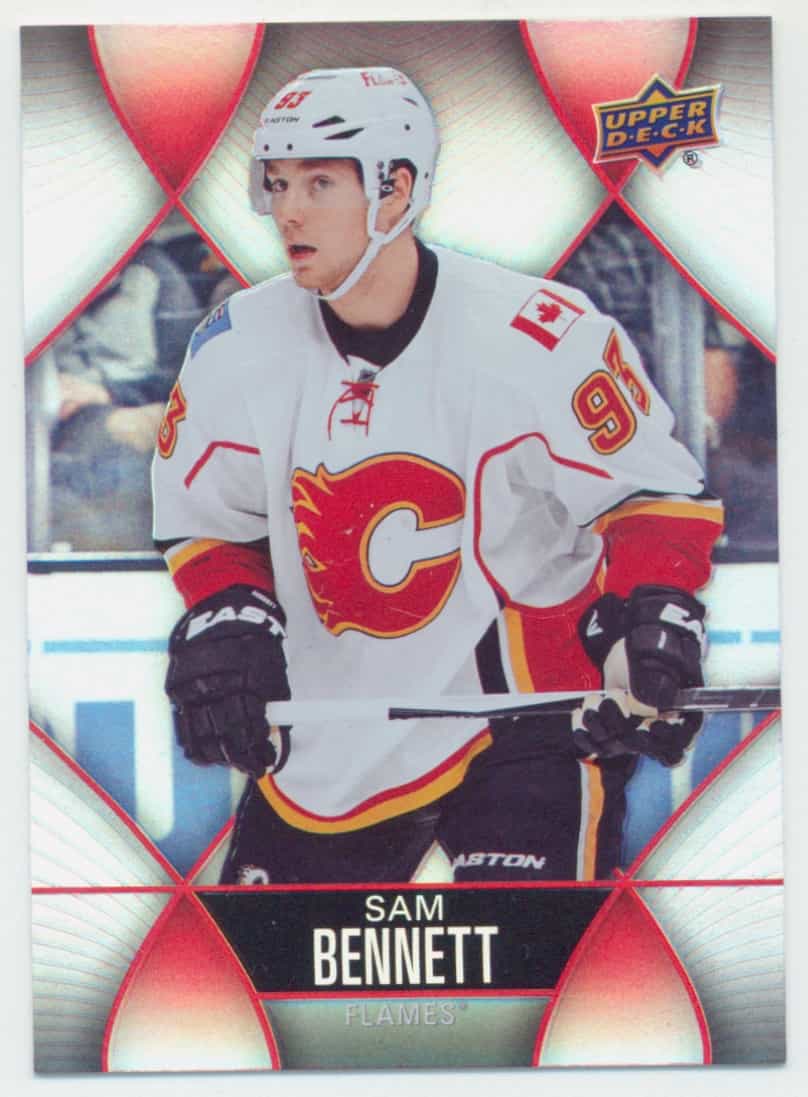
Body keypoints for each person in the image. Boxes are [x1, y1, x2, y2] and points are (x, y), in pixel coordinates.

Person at [151, 67, 723, 885]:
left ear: (396, 189)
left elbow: (653, 496)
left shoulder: (538, 334)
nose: (288, 210)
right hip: (334, 730)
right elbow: (211, 523)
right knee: (273, 960)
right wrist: (228, 612)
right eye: (277, 183)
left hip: (525, 715)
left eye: (319, 182)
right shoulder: (236, 344)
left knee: (521, 955)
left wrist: (652, 613)